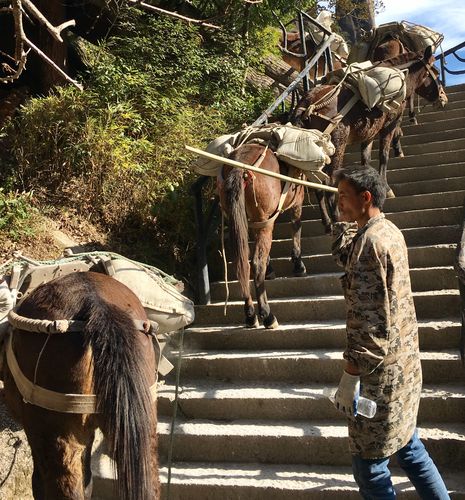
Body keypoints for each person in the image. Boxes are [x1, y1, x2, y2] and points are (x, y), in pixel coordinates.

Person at [331, 165, 450, 499]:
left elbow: (368, 322)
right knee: (409, 448)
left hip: (378, 379)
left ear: (365, 197)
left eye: (343, 197)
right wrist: (344, 222)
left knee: (369, 468)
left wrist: (350, 376)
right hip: (405, 368)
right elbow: (347, 256)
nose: (337, 202)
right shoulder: (388, 231)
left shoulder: (370, 244)